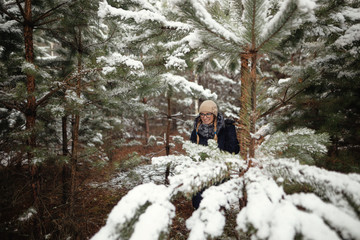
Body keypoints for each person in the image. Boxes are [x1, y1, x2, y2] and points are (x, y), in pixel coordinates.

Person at [190, 100, 239, 209]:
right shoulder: (196, 131)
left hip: (219, 173)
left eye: (208, 114)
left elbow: (234, 150)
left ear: (214, 114)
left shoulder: (224, 129)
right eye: (202, 114)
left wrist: (231, 131)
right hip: (201, 173)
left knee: (217, 207)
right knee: (199, 206)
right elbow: (191, 151)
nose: (204, 117)